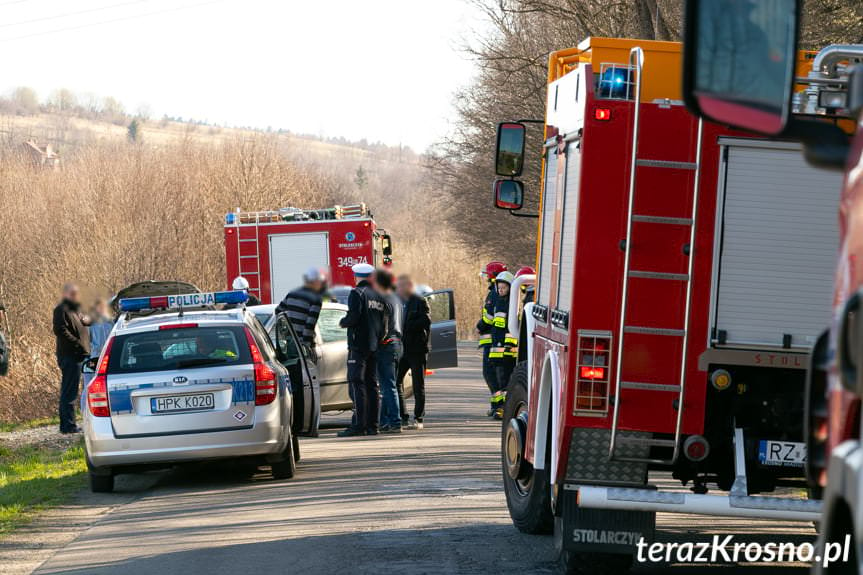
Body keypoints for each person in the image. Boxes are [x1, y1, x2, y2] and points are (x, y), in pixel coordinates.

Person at [276, 267, 327, 437]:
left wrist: (287, 334)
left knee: (295, 385)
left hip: (290, 347)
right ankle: (309, 425)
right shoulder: (316, 298)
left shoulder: (292, 293)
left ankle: (295, 421)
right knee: (310, 386)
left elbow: (278, 312)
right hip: (302, 347)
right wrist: (306, 348)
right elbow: (309, 325)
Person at [338, 263, 387, 437]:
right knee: (372, 384)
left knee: (356, 383)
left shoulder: (356, 293)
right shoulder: (379, 296)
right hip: (374, 345)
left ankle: (359, 425)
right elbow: (384, 323)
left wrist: (343, 322)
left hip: (358, 346)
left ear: (356, 276)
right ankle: (373, 425)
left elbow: (353, 317)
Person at [53, 283, 91, 434]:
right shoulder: (60, 309)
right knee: (69, 392)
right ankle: (68, 426)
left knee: (72, 391)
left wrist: (89, 319)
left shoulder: (75, 309)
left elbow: (85, 322)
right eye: (73, 293)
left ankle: (69, 424)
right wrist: (77, 344)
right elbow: (59, 330)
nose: (76, 296)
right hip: (70, 356)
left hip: (78, 355)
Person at [396, 274, 431, 430]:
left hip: (417, 349)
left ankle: (418, 417)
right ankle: (403, 416)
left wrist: (408, 326)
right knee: (397, 382)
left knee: (418, 385)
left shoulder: (419, 301)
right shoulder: (398, 302)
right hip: (402, 349)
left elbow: (426, 321)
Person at [374, 269, 403, 433]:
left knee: (388, 386)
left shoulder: (384, 300)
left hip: (386, 344)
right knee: (388, 385)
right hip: (397, 343)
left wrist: (376, 341)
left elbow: (383, 326)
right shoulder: (396, 298)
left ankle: (395, 421)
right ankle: (385, 421)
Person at [476, 261, 507, 416]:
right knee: (492, 374)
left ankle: (500, 407)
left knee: (492, 374)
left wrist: (479, 326)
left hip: (494, 342)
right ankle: (496, 406)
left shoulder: (495, 294)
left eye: (488, 275)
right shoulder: (496, 292)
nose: (486, 278)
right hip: (493, 341)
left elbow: (489, 317)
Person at [489, 271, 518, 420]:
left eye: (503, 288)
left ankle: (506, 409)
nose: (500, 290)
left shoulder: (512, 304)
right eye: (499, 288)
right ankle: (501, 408)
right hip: (497, 350)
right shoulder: (499, 302)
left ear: (510, 288)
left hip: (507, 351)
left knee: (506, 380)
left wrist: (508, 346)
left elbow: (511, 328)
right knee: (500, 380)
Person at [84, 298, 114, 386]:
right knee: (90, 384)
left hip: (109, 357)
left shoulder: (110, 323)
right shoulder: (90, 324)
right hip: (94, 357)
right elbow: (85, 342)